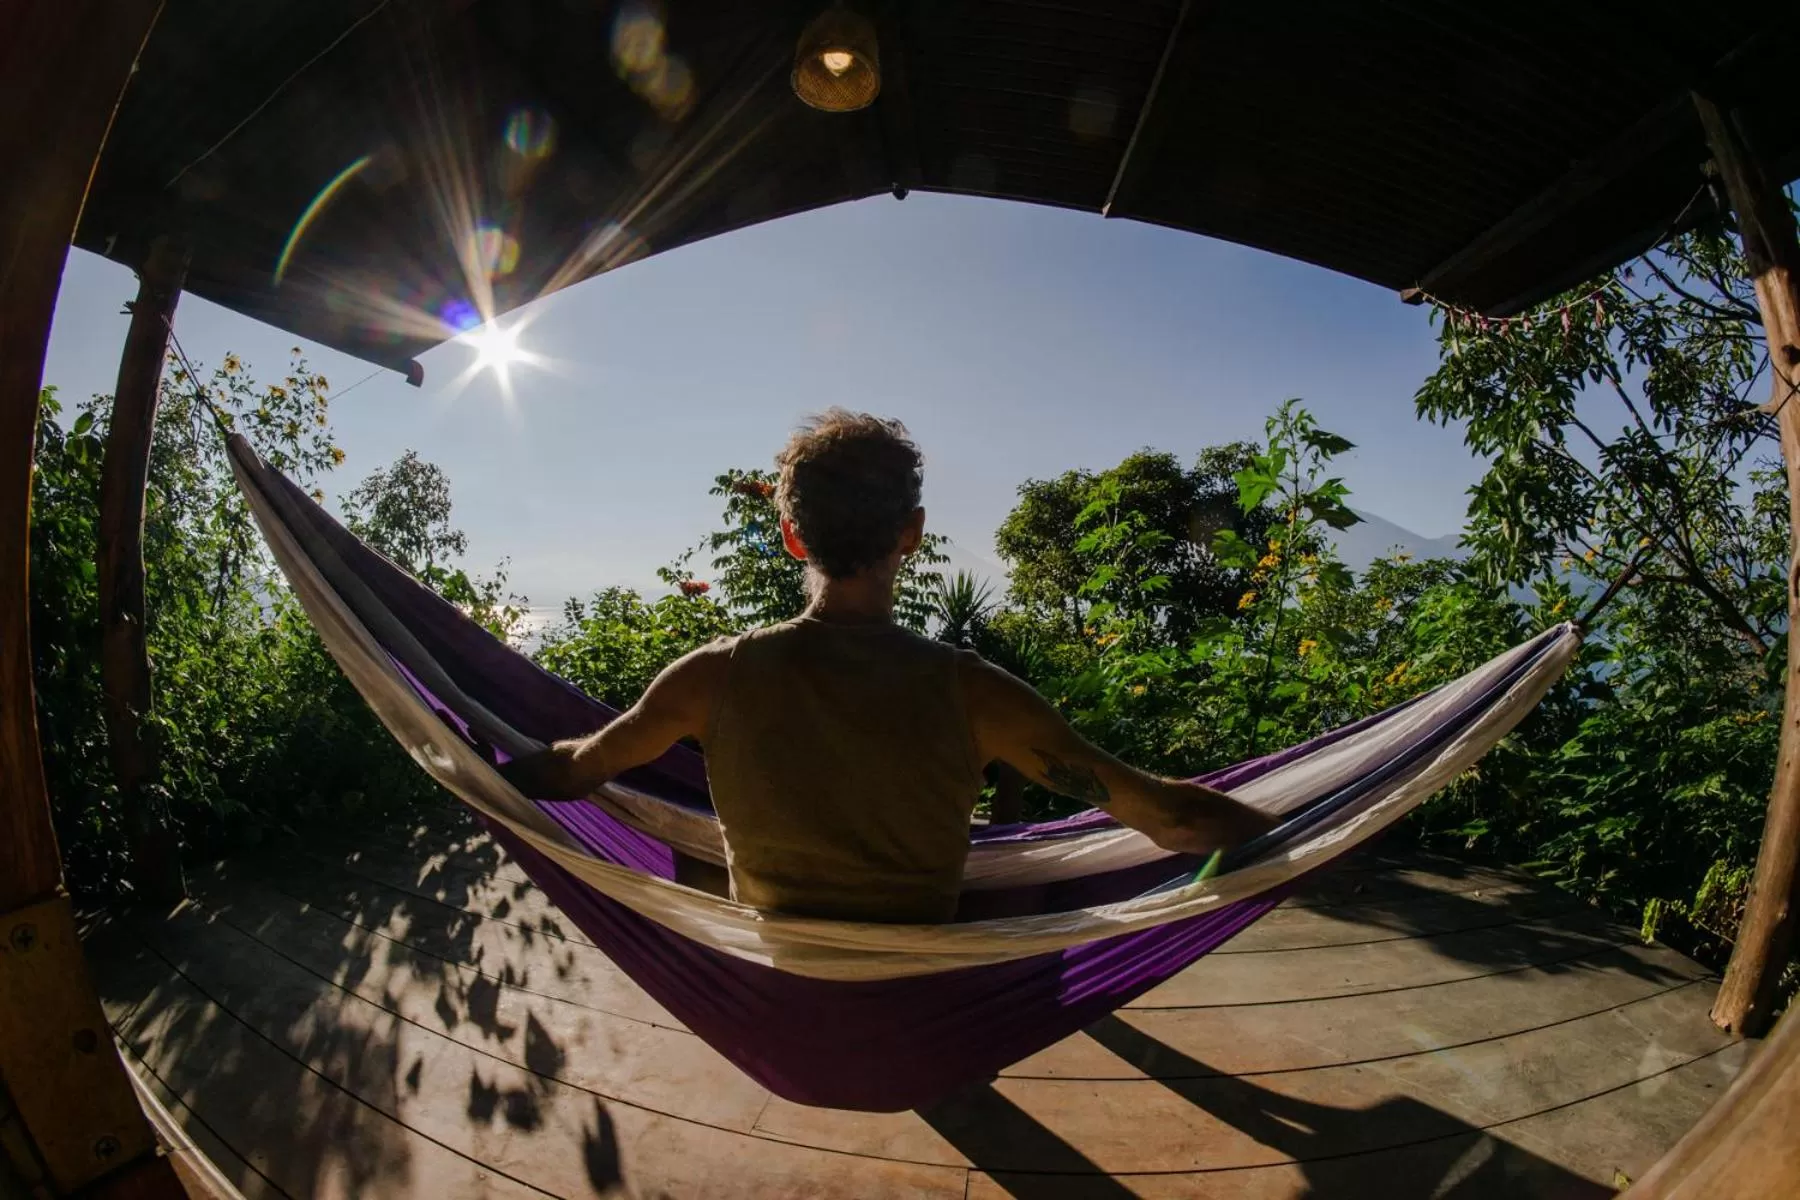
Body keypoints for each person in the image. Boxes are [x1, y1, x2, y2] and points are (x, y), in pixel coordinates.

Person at [500, 410, 1275, 923]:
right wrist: (1316, 829)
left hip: (783, 991)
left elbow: (578, 769)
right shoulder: (975, 694)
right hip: (918, 998)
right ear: (913, 534)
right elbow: (1173, 821)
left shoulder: (711, 679)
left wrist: (477, 758)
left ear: (791, 539)